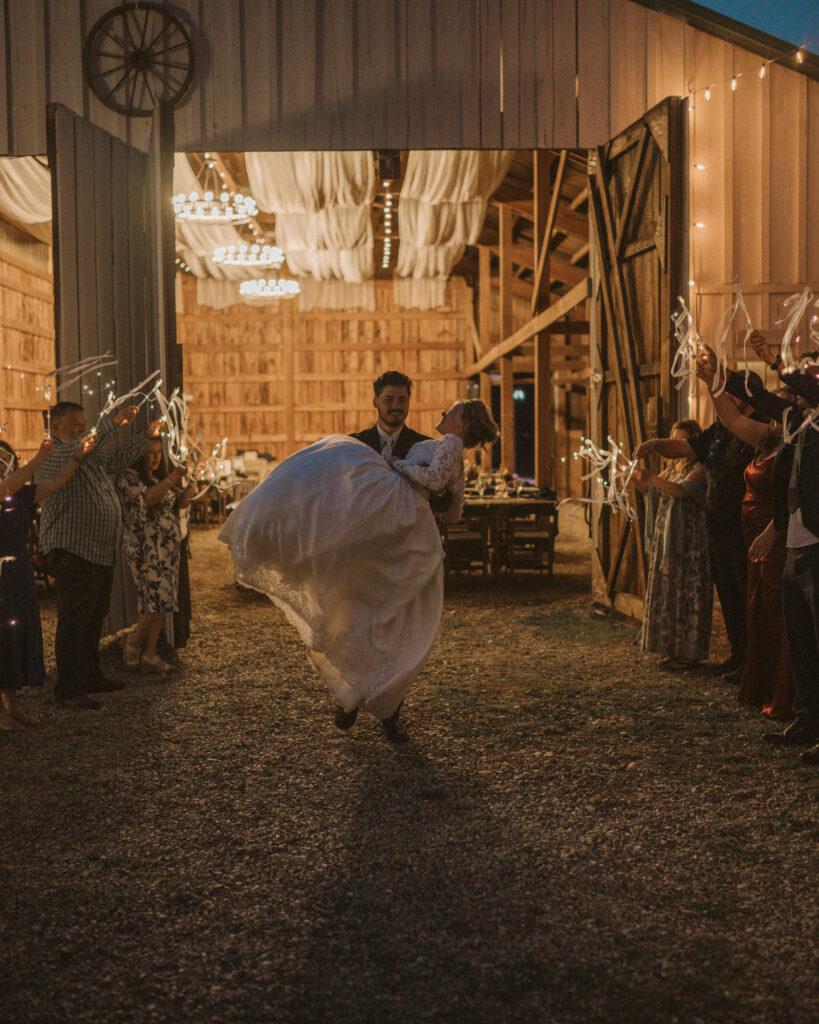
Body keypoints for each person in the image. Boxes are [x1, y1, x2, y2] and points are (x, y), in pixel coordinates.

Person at [219, 398, 499, 743]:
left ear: (464, 421)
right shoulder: (382, 440)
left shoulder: (446, 443)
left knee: (384, 620)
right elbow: (454, 503)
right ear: (377, 401)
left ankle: (382, 706)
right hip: (367, 535)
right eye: (389, 398)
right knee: (357, 616)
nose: (444, 412)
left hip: (394, 531)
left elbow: (439, 485)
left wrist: (399, 466)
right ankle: (351, 694)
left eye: (452, 410)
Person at [711, 335, 819, 762]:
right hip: (796, 541)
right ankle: (809, 717)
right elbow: (759, 396)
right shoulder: (797, 419)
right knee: (801, 640)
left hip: (818, 539)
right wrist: (718, 374)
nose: (796, 387)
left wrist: (776, 360)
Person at [34, 401, 162, 710]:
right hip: (72, 550)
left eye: (84, 422)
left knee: (93, 617)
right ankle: (67, 689)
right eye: (75, 423)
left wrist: (145, 435)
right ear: (55, 428)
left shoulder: (89, 455)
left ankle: (89, 677)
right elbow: (83, 444)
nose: (82, 429)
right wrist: (113, 423)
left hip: (98, 550)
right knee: (74, 621)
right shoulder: (53, 453)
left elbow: (116, 456)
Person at [634, 385, 759, 681]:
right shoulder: (720, 429)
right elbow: (683, 447)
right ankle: (738, 655)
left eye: (731, 396)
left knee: (743, 594)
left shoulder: (755, 430)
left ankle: (751, 662)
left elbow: (684, 487)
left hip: (740, 524)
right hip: (717, 525)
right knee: (728, 596)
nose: (725, 402)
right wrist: (654, 444)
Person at [695, 346, 793, 719]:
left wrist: (771, 531)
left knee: (777, 611)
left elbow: (793, 495)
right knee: (756, 609)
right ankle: (760, 683)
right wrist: (713, 384)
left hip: (778, 534)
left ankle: (783, 693)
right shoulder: (768, 439)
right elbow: (733, 420)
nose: (776, 417)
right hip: (752, 536)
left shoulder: (796, 444)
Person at [0, 433, 93, 728]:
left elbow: (55, 483)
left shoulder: (22, 494)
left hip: (18, 573)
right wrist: (39, 458)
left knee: (14, 637)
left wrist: (76, 456)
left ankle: (11, 707)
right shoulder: (5, 491)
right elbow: (4, 489)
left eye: (5, 460)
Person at [634, 419, 711, 669]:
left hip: (690, 542)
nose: (675, 446)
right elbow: (651, 490)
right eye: (673, 439)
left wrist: (652, 477)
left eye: (680, 441)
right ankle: (671, 649)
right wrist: (631, 479)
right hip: (667, 538)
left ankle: (689, 654)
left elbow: (680, 491)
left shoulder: (701, 467)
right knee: (670, 593)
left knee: (688, 594)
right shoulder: (673, 466)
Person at [117, 439, 195, 674]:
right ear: (139, 455)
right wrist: (172, 477)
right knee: (151, 603)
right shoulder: (129, 477)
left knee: (163, 601)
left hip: (167, 549)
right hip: (145, 549)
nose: (155, 457)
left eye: (157, 453)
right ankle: (132, 644)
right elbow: (147, 499)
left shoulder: (160, 478)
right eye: (149, 453)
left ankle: (150, 653)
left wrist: (192, 481)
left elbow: (180, 502)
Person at [351, 370, 451, 513]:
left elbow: (443, 505)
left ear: (409, 402)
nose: (396, 406)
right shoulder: (355, 444)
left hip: (409, 532)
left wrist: (437, 489)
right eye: (389, 399)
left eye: (402, 400)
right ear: (375, 402)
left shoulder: (428, 446)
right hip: (366, 531)